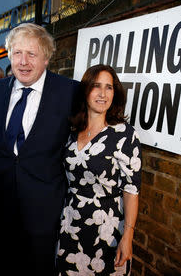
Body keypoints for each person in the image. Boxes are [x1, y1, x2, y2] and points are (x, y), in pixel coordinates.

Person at [0, 22, 79, 276]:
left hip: (44, 209)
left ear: (46, 58)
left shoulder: (70, 92)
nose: (23, 62)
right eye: (17, 53)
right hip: (0, 205)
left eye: (32, 54)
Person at [56, 64, 142, 275]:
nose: (103, 94)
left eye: (109, 87)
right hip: (70, 225)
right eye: (96, 86)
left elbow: (131, 190)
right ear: (86, 91)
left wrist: (127, 237)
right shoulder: (72, 131)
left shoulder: (124, 135)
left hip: (107, 231)